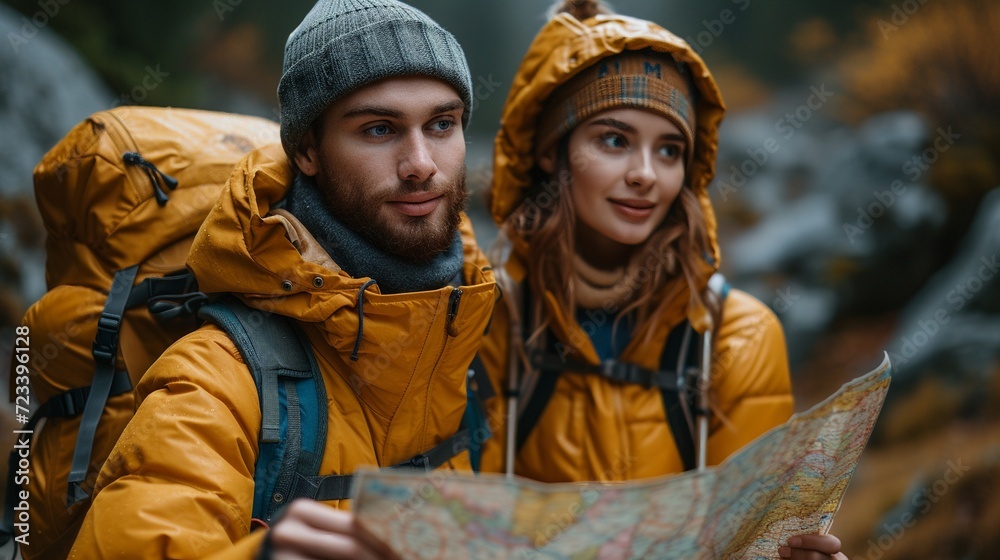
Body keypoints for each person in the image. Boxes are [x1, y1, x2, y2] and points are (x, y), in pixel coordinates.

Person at [69, 1, 496, 558]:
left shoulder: (478, 331)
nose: (421, 164)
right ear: (307, 151)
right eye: (378, 129)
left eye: (442, 124)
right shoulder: (215, 382)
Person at [477, 1, 847, 558]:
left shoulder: (735, 337)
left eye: (669, 150)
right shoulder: (489, 320)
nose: (645, 175)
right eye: (614, 140)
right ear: (553, 153)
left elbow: (749, 544)